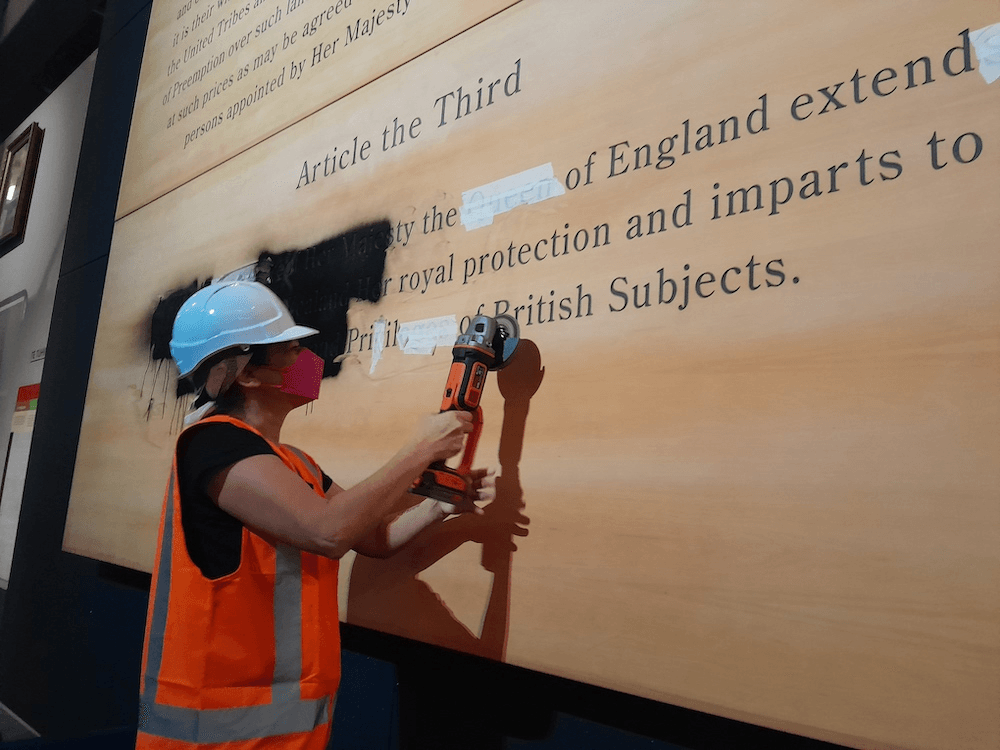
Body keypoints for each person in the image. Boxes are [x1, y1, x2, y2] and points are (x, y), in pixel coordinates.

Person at [135, 280, 490, 749]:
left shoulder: (293, 463)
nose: (308, 360)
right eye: (290, 350)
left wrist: (437, 507)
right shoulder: (211, 444)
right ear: (245, 372)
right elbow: (329, 532)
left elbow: (374, 537)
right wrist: (419, 450)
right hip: (214, 737)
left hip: (283, 734)